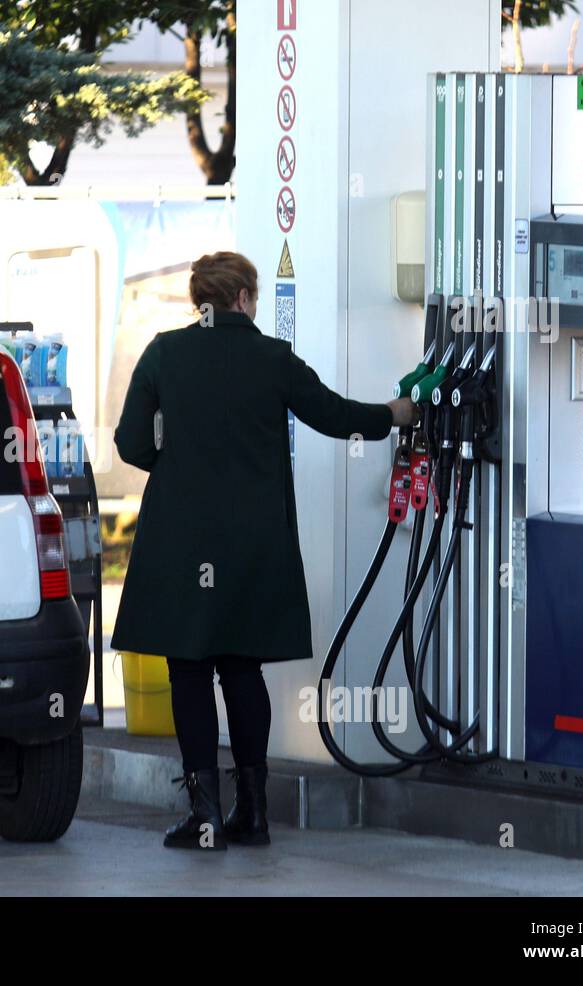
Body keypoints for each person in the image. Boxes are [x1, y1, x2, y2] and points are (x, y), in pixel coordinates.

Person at [111, 251, 417, 851]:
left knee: (189, 670)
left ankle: (203, 816)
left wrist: (171, 463)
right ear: (246, 298)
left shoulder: (163, 353)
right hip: (253, 541)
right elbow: (333, 415)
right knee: (241, 666)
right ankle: (253, 813)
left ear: (200, 300)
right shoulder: (271, 357)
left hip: (181, 539)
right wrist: (394, 415)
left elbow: (128, 444)